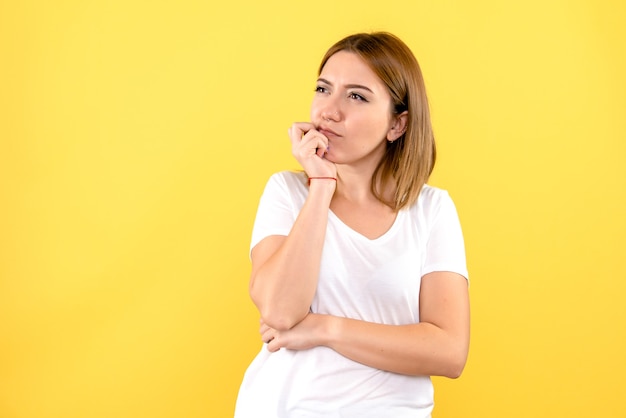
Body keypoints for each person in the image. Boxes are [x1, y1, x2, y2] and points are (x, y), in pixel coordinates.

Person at [234, 32, 469, 418]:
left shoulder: (431, 210)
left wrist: (327, 328)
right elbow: (278, 310)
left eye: (356, 96)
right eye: (324, 89)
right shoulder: (288, 192)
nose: (329, 111)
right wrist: (322, 186)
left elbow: (448, 352)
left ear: (398, 124)